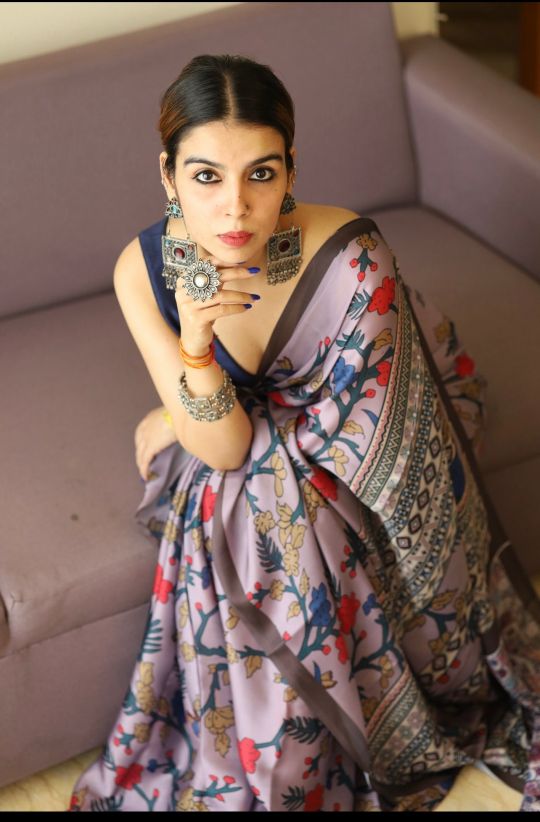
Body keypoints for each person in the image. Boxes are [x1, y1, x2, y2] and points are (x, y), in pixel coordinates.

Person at [67, 54, 540, 813]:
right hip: (249, 420)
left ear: (291, 168)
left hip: (378, 408)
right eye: (206, 177)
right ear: (168, 175)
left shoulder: (347, 255)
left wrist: (184, 411)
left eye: (261, 173)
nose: (235, 209)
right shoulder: (146, 270)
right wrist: (196, 352)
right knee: (242, 497)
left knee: (279, 509)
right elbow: (225, 448)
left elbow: (379, 445)